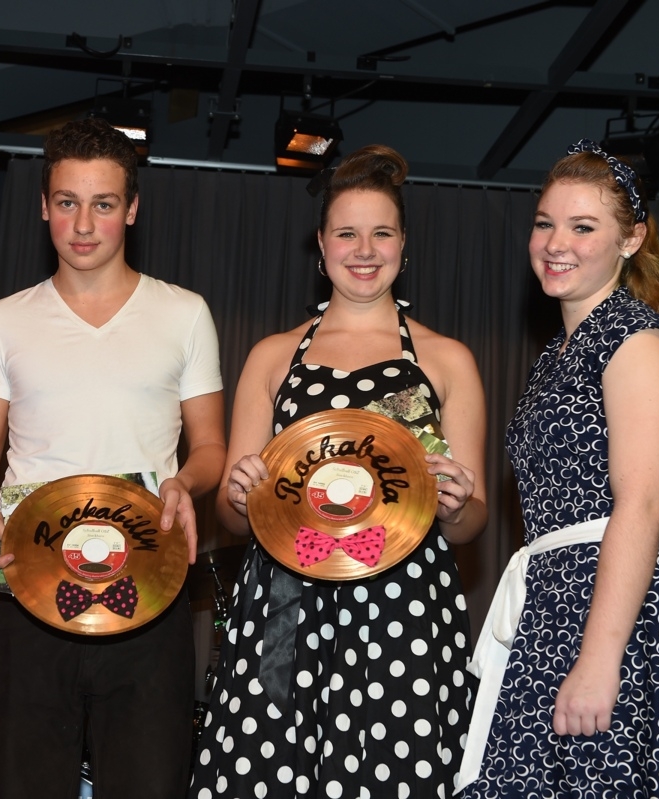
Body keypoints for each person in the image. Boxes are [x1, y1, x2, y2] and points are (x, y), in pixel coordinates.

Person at [456, 140, 659, 799]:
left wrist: (600, 659)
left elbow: (642, 504)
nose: (555, 243)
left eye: (583, 226)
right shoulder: (559, 354)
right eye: (545, 223)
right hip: (555, 610)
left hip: (635, 622)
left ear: (631, 239)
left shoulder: (639, 341)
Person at [190, 144, 488, 799]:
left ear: (404, 244)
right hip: (284, 600)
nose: (365, 249)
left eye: (382, 232)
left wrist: (458, 502)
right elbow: (232, 521)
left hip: (406, 605)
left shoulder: (446, 360)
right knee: (267, 773)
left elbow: (471, 525)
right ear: (321, 246)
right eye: (347, 233)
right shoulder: (273, 356)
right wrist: (239, 494)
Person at [0, 117, 226, 799]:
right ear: (43, 206)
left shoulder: (184, 313)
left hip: (148, 585)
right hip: (26, 584)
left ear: (131, 209)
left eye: (103, 203)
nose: (82, 224)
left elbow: (211, 447)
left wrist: (185, 482)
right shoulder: (2, 320)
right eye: (67, 201)